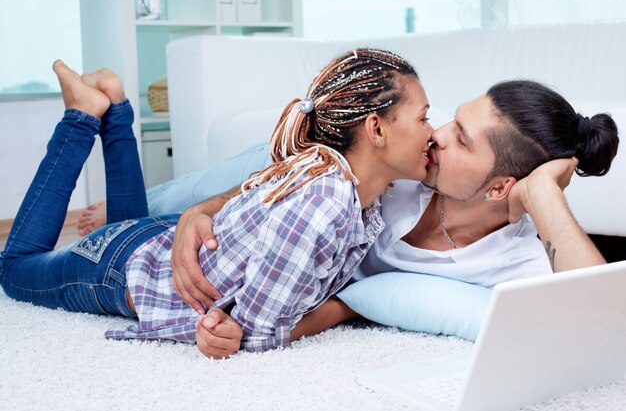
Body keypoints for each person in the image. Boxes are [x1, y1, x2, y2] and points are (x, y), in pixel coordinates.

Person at [0, 49, 435, 354]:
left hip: (154, 243)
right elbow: (260, 332)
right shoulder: (324, 202)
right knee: (14, 268)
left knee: (124, 223)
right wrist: (344, 309)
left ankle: (113, 106)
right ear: (376, 130)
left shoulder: (335, 177)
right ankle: (80, 118)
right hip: (118, 272)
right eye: (423, 117)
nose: (431, 132)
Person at [171, 80, 619, 358]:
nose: (436, 134)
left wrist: (545, 195)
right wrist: (203, 210)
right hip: (277, 174)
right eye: (452, 120)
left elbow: (603, 327)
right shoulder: (412, 152)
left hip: (287, 246)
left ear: (501, 188)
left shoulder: (514, 260)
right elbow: (299, 175)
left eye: (460, 139)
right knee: (165, 203)